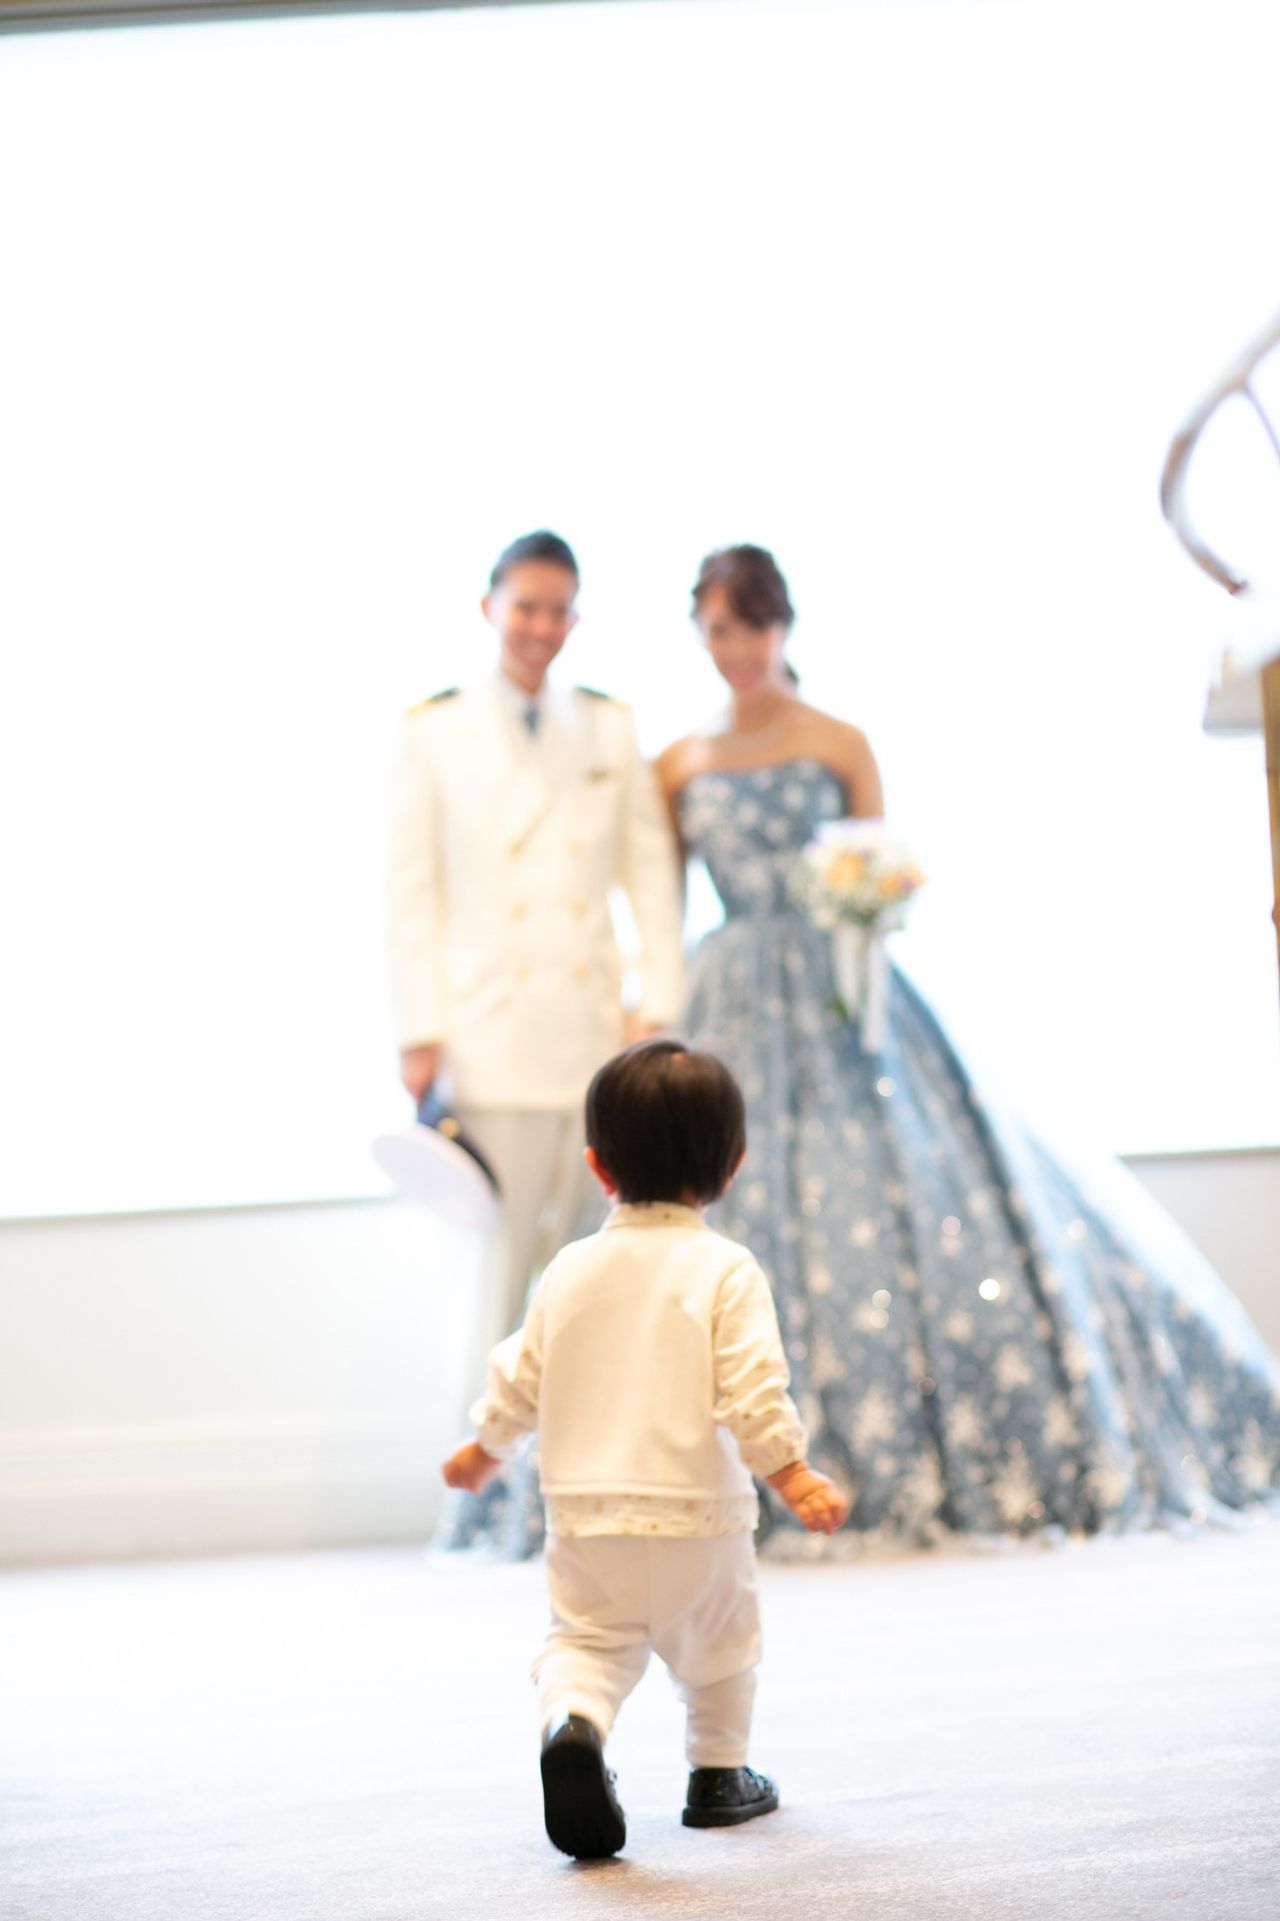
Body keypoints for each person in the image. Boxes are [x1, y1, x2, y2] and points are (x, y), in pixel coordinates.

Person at [654, 541, 1280, 1554]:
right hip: (727, 999)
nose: (740, 647)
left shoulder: (838, 739)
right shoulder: (677, 760)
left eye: (755, 625)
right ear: (699, 631)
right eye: (722, 628)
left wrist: (863, 909)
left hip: (844, 991)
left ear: (783, 626)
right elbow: (657, 901)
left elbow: (877, 864)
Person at [441, 1039, 848, 1860]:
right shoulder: (726, 1269)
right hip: (701, 1518)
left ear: (597, 1165)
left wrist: (486, 1444)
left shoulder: (569, 1268)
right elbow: (752, 1386)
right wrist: (790, 1470)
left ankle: (573, 1721)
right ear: (733, 1165)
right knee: (722, 1647)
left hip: (587, 1517)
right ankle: (719, 1774)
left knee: (585, 1644)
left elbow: (521, 1370)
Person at [390, 531, 684, 1545]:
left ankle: (576, 1503)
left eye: (558, 610)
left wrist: (657, 999)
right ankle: (478, 1511)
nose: (540, 628)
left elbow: (650, 874)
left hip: (593, 1037)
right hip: (489, 1037)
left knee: (590, 1286)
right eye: (525, 606)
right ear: (490, 607)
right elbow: (410, 892)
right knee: (497, 1288)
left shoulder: (605, 724)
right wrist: (419, 1029)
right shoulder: (435, 730)